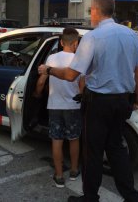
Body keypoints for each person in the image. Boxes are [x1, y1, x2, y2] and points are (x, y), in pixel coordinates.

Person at [38, 0, 138, 202]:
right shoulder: (131, 35)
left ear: (96, 11)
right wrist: (135, 98)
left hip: (99, 103)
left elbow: (71, 75)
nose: (90, 14)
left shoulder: (92, 38)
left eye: (90, 10)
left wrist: (49, 70)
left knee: (93, 152)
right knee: (117, 149)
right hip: (122, 100)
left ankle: (90, 198)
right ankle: (132, 197)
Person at [34, 27, 85, 188]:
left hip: (55, 106)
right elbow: (82, 87)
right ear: (76, 43)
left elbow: (41, 81)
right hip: (73, 107)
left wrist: (37, 93)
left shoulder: (51, 59)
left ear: (62, 42)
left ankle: (59, 175)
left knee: (57, 140)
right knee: (74, 139)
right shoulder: (79, 60)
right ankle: (75, 171)